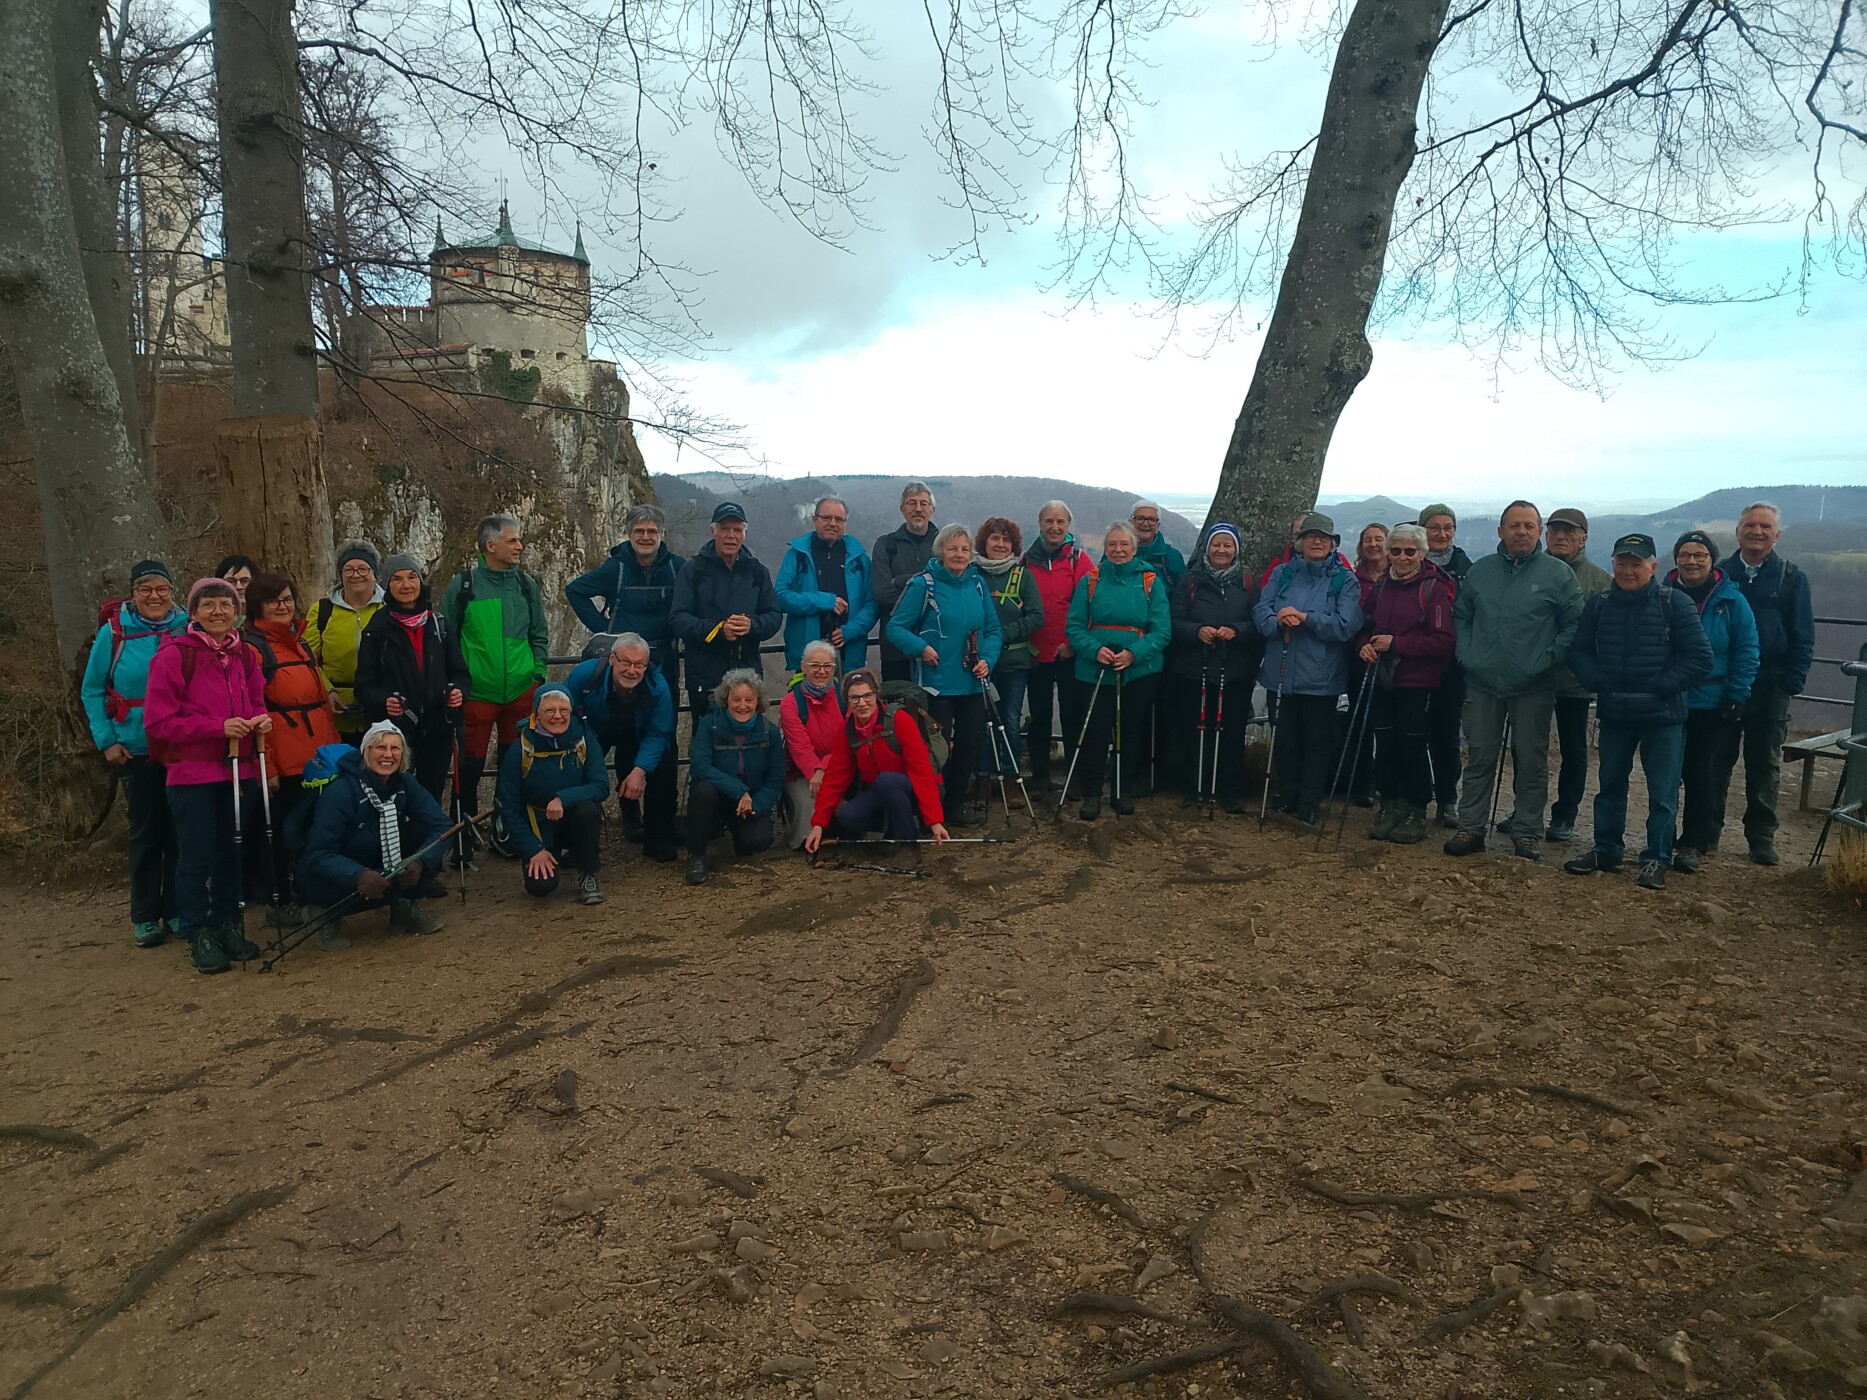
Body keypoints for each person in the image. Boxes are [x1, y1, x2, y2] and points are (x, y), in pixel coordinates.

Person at [1563, 533, 1713, 890]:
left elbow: (1701, 658)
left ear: (1653, 566)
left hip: (1663, 716)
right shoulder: (1599, 604)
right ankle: (1607, 850)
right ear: (1613, 564)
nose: (1628, 570)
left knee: (1662, 794)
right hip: (1615, 713)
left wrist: (1662, 686)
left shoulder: (1674, 603)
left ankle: (1656, 858)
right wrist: (1596, 680)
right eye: (1622, 563)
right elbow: (1578, 651)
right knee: (1609, 786)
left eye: (1636, 563)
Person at [142, 578, 271, 975]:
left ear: (237, 611)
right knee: (196, 855)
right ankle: (198, 932)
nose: (218, 611)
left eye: (225, 604)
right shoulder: (174, 655)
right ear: (194, 612)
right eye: (209, 604)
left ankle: (227, 923)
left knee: (231, 853)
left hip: (239, 768)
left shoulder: (244, 654)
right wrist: (218, 728)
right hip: (191, 773)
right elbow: (159, 722)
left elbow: (256, 700)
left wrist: (261, 719)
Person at [1444, 501, 1584, 860]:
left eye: (1528, 526)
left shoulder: (1558, 574)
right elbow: (1461, 615)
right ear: (1501, 531)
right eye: (1514, 525)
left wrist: (1548, 657)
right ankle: (1471, 827)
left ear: (1539, 532)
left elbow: (1574, 623)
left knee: (1532, 760)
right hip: (1482, 681)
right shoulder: (1481, 571)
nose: (1521, 531)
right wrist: (1468, 654)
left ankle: (1527, 832)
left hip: (1534, 684)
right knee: (1479, 757)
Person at [81, 559, 188, 947]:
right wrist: (107, 741)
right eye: (145, 589)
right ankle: (145, 916)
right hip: (134, 747)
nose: (154, 596)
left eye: (161, 589)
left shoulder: (186, 626)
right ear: (133, 593)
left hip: (180, 745)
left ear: (172, 591)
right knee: (145, 832)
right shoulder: (114, 632)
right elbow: (92, 690)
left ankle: (177, 909)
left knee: (180, 831)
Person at [1717, 502, 1816, 865]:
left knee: (1764, 764)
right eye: (1749, 525)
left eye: (1764, 526)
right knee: (1715, 761)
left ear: (1777, 535)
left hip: (1770, 685)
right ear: (1737, 532)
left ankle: (1761, 838)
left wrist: (1791, 682)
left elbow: (1803, 636)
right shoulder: (1720, 574)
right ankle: (1706, 832)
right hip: (1724, 682)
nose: (1756, 532)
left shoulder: (1791, 578)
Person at [886, 523, 1002, 826]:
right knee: (935, 750)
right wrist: (921, 648)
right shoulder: (923, 585)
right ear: (941, 551)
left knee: (968, 746)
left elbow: (993, 630)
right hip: (936, 684)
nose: (959, 554)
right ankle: (929, 811)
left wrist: (988, 659)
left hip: (972, 682)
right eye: (953, 548)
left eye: (964, 549)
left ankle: (953, 807)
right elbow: (895, 628)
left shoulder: (977, 585)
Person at [1253, 513, 1364, 825]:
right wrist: (1278, 621)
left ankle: (1310, 801)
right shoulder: (1282, 573)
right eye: (1311, 536)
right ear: (1299, 543)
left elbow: (1346, 625)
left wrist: (1305, 618)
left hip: (1321, 677)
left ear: (1332, 544)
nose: (1317, 542)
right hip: (1281, 672)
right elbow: (1260, 610)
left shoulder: (1344, 580)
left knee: (1317, 741)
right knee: (1285, 738)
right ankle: (1287, 794)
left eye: (1324, 538)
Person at [296, 721, 449, 947]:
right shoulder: (341, 792)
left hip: (378, 859)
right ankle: (322, 912)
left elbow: (442, 825)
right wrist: (358, 875)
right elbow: (318, 853)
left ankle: (404, 906)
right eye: (380, 747)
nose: (388, 754)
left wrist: (421, 862)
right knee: (326, 876)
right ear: (365, 752)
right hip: (341, 868)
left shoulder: (405, 783)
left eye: (395, 748)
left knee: (425, 832)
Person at [243, 572, 343, 918]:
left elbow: (320, 703)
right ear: (257, 606)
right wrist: (268, 766)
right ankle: (278, 899)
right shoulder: (254, 650)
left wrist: (335, 752)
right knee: (281, 832)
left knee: (312, 829)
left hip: (316, 757)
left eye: (287, 599)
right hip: (285, 759)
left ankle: (306, 892)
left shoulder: (300, 643)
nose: (282, 606)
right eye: (273, 601)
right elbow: (255, 711)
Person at [443, 514, 549, 827]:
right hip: (476, 693)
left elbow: (539, 633)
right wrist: (455, 681)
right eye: (512, 540)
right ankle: (465, 832)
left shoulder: (525, 585)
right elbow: (445, 635)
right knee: (469, 768)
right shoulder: (464, 585)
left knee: (513, 768)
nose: (520, 546)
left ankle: (507, 831)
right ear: (491, 545)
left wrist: (537, 674)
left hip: (520, 692)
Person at [1355, 523, 1455, 844]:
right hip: (1382, 678)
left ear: (1422, 554)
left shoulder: (1433, 588)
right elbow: (1364, 625)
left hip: (1417, 681)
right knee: (1384, 742)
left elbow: (1443, 641)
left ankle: (1416, 808)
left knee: (1412, 744)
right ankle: (1389, 804)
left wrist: (1395, 644)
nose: (1402, 557)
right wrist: (1363, 645)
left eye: (1410, 551)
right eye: (1396, 550)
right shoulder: (1382, 586)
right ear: (1388, 553)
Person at [1067, 521, 1172, 819]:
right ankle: (1092, 795)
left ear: (1134, 548)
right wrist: (1093, 650)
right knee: (1096, 732)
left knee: (1130, 731)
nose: (1118, 549)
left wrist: (1134, 654)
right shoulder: (1090, 581)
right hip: (1094, 669)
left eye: (1124, 544)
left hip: (1139, 670)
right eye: (1112, 544)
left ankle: (1121, 790)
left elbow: (1162, 631)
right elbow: (1074, 627)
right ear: (1104, 548)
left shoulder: (1150, 582)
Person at [1668, 530, 1759, 873]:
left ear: (1712, 560)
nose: (1691, 561)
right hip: (1668, 697)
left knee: (1702, 774)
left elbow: (1747, 649)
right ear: (1676, 560)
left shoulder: (1732, 601)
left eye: (1700, 555)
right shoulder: (1661, 596)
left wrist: (1737, 694)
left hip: (1711, 701)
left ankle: (1694, 841)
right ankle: (1661, 837)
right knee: (1665, 773)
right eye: (1685, 555)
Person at [355, 554, 469, 802]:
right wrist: (384, 701)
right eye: (397, 579)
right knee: (392, 797)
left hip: (437, 729)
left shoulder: (439, 625)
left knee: (430, 797)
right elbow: (364, 685)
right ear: (387, 586)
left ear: (420, 582)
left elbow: (460, 673)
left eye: (412, 577)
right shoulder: (377, 630)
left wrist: (457, 691)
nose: (406, 585)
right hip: (395, 732)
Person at [1167, 523, 1262, 812]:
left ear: (1236, 549)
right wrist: (1197, 631)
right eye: (1216, 544)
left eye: (1227, 545)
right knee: (1195, 731)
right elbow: (1174, 621)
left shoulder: (1248, 582)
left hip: (1235, 672)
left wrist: (1237, 630)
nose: (1222, 550)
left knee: (1232, 732)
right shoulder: (1190, 580)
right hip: (1195, 669)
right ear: (1207, 548)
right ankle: (1195, 786)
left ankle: (1231, 790)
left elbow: (1259, 623)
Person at [564, 632, 679, 862]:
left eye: (639, 665)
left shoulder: (657, 685)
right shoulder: (585, 675)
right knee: (575, 769)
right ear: (612, 659)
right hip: (593, 730)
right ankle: (579, 845)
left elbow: (659, 732)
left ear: (646, 665)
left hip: (638, 731)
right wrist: (590, 754)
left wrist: (640, 770)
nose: (632, 670)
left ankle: (657, 837)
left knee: (664, 761)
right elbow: (565, 713)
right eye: (626, 662)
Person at [804, 668, 948, 850]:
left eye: (867, 696)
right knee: (848, 816)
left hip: (915, 788)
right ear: (847, 701)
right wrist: (818, 824)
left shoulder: (899, 720)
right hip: (881, 791)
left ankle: (908, 844)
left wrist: (934, 820)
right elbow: (835, 777)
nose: (862, 703)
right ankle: (894, 828)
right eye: (854, 698)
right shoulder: (848, 730)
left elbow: (922, 771)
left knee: (886, 780)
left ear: (877, 696)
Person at [497, 684, 609, 904]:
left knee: (588, 810)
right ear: (536, 714)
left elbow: (600, 785)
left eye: (563, 710)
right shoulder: (520, 749)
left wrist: (562, 798)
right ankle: (548, 854)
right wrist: (533, 849)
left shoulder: (585, 739)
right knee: (540, 887)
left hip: (575, 817)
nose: (557, 716)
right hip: (538, 824)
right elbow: (508, 805)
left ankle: (588, 873)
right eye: (549, 710)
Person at [669, 502, 782, 719]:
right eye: (724, 528)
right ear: (713, 532)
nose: (731, 535)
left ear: (744, 534)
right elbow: (678, 619)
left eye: (737, 529)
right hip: (704, 675)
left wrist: (752, 625)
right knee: (706, 733)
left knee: (746, 732)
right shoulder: (693, 570)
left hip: (747, 672)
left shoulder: (757, 571)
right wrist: (718, 630)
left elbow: (774, 616)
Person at [1541, 508, 1612, 841]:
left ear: (1583, 538)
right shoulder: (1530, 570)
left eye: (1569, 532)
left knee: (1573, 750)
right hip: (1532, 676)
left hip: (1575, 680)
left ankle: (1565, 815)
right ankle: (1526, 810)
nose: (1561, 536)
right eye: (1554, 530)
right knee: (1528, 747)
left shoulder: (1599, 581)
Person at [684, 669, 785, 884]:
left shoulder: (770, 732)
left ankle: (739, 831)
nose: (742, 706)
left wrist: (756, 804)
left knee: (757, 842)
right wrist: (739, 791)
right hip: (717, 797)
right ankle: (696, 855)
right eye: (736, 699)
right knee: (702, 791)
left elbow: (775, 779)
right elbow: (700, 767)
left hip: (750, 801)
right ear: (725, 700)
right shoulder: (709, 724)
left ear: (758, 702)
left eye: (749, 700)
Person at [1022, 500, 1096, 791]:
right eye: (1049, 521)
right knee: (1039, 717)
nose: (1054, 527)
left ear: (1068, 526)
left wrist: (1073, 643)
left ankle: (1076, 778)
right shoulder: (1026, 561)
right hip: (1035, 652)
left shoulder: (1079, 559)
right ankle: (1040, 777)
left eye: (1060, 522)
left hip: (1069, 652)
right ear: (1040, 524)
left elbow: (1091, 604)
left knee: (1072, 715)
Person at [565, 503, 687, 677]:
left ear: (661, 534)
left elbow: (696, 598)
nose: (645, 537)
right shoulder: (616, 568)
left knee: (663, 695)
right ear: (630, 534)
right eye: (639, 531)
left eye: (652, 531)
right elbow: (575, 590)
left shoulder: (676, 567)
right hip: (623, 659)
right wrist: (604, 628)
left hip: (664, 659)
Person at [1418, 503, 1476, 826]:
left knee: (1447, 732)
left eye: (1448, 527)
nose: (1442, 534)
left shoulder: (1467, 569)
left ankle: (1447, 798)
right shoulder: (1410, 562)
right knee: (1413, 729)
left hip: (1452, 662)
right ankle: (1415, 795)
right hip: (1413, 659)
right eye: (1434, 527)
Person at [974, 517, 1044, 784]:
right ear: (984, 542)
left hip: (1013, 662)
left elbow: (1036, 616)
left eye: (1006, 540)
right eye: (995, 538)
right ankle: (982, 777)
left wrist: (1000, 635)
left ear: (1014, 545)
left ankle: (1011, 777)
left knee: (1011, 721)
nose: (1000, 544)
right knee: (981, 721)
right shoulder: (971, 575)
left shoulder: (1022, 576)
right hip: (979, 663)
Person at [775, 495, 876, 674]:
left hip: (849, 653)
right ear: (815, 519)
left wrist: (850, 631)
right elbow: (780, 597)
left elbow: (872, 604)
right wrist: (825, 601)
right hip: (807, 655)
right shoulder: (797, 555)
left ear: (845, 523)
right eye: (827, 518)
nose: (833, 523)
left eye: (839, 519)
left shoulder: (859, 559)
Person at [303, 542, 384, 742]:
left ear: (374, 573)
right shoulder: (322, 610)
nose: (356, 575)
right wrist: (327, 690)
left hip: (380, 708)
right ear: (340, 574)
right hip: (334, 711)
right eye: (349, 569)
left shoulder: (387, 609)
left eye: (363, 569)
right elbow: (307, 658)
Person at [780, 641, 848, 849]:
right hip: (803, 772)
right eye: (815, 665)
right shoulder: (790, 703)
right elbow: (799, 748)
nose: (821, 671)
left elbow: (848, 741)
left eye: (827, 666)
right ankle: (807, 840)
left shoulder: (845, 696)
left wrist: (824, 768)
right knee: (808, 801)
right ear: (803, 667)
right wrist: (816, 773)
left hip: (840, 766)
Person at [870, 482, 939, 682]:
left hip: (935, 646)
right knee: (897, 701)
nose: (918, 509)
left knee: (934, 701)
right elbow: (882, 594)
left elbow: (947, 592)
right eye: (912, 503)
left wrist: (900, 581)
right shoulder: (886, 544)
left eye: (924, 504)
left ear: (932, 509)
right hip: (894, 648)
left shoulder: (945, 546)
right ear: (902, 509)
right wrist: (926, 592)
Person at [1129, 501, 1187, 587]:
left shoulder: (1172, 557)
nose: (1145, 524)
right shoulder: (1117, 552)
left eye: (1151, 520)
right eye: (1140, 518)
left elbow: (1183, 592)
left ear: (1157, 526)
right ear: (1131, 522)